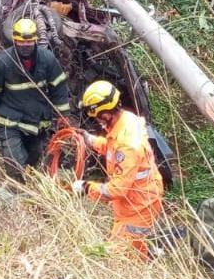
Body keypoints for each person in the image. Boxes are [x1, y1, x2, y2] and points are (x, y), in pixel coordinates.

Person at [70, 80, 165, 259]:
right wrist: (90, 140)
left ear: (105, 114)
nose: (98, 121)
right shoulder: (124, 121)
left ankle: (149, 258)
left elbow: (117, 190)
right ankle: (149, 253)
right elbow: (113, 147)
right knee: (131, 245)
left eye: (97, 117)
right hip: (134, 199)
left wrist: (86, 187)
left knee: (118, 257)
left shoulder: (128, 144)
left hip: (139, 204)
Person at [0, 18, 73, 179]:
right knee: (15, 165)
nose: (25, 47)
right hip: (10, 122)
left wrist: (63, 115)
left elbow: (59, 87)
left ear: (35, 41)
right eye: (21, 43)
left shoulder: (47, 59)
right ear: (14, 41)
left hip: (37, 123)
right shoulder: (3, 61)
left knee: (32, 161)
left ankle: (27, 188)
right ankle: (17, 193)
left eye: (29, 43)